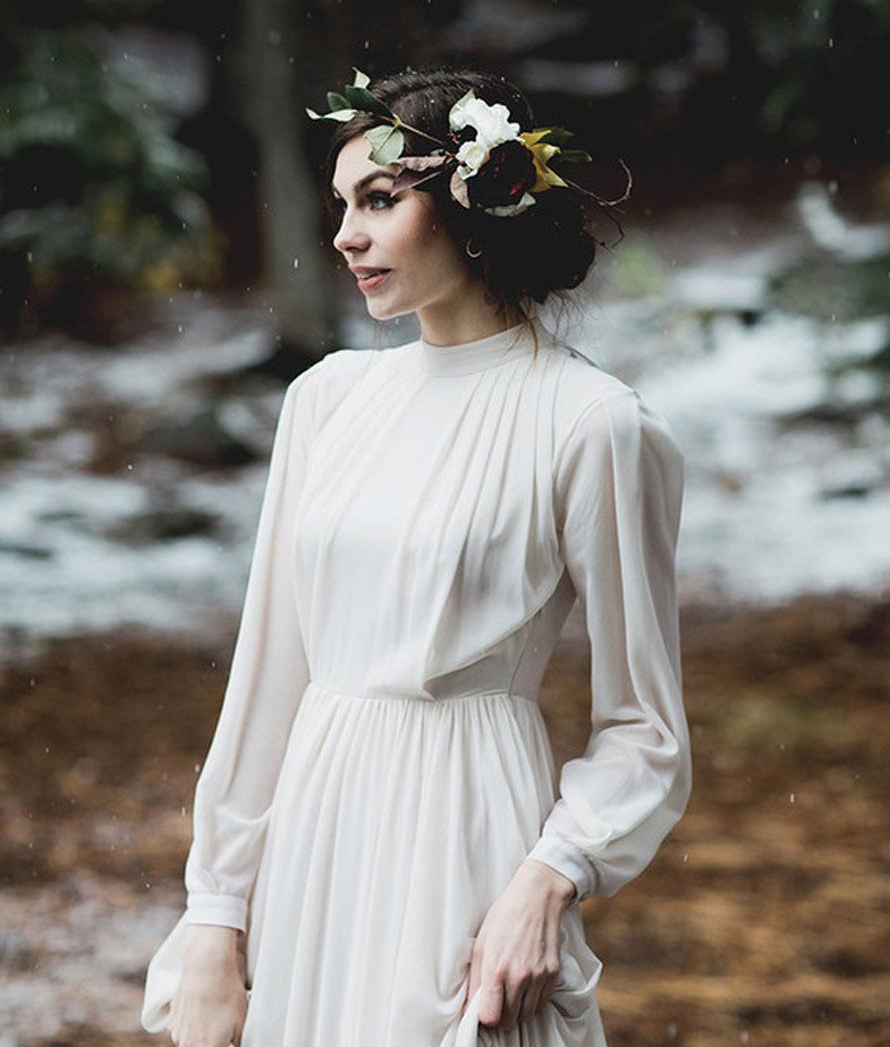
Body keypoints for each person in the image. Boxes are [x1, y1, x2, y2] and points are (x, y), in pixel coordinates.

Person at [140, 65, 692, 1046]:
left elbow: (645, 731)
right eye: (342, 205)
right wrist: (216, 916)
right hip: (315, 842)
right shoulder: (329, 400)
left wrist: (546, 879)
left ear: (479, 200)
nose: (345, 234)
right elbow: (271, 677)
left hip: (467, 844)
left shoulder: (593, 425)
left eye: (380, 201)